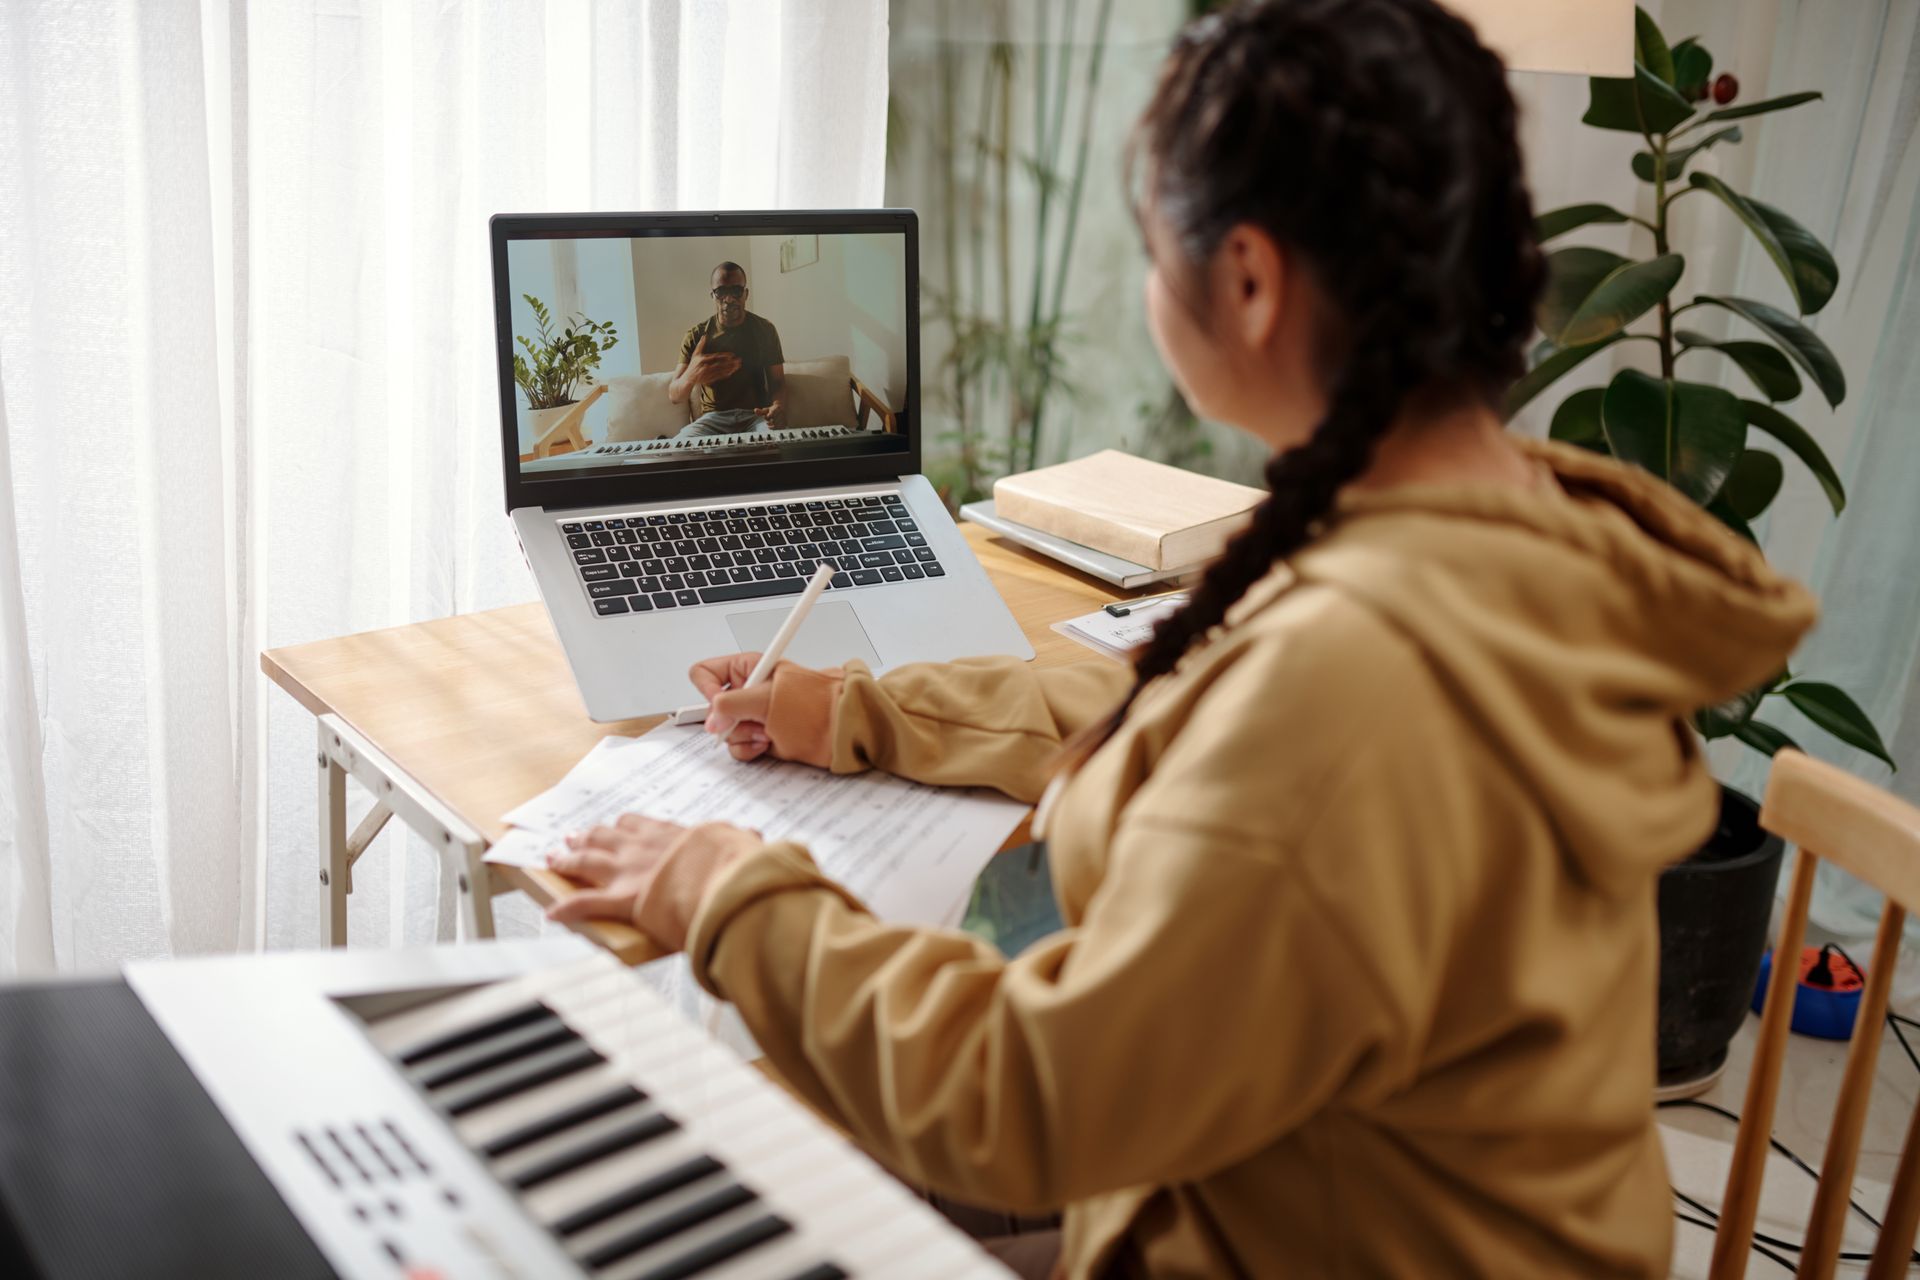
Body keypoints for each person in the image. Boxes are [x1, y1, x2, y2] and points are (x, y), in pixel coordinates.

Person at [545, 1, 1817, 1274]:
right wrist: (852, 710)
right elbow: (1178, 709)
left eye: (1155, 249)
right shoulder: (1505, 531)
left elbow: (1027, 1098)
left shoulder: (1358, 676)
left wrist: (730, 890)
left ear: (1251, 280)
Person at [667, 261, 787, 438]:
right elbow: (674, 396)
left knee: (780, 444)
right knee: (676, 452)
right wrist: (692, 374)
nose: (729, 299)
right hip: (711, 421)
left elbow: (777, 382)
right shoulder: (696, 335)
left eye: (736, 291)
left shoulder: (765, 330)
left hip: (755, 417)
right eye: (721, 292)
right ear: (713, 295)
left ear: (745, 294)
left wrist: (777, 406)